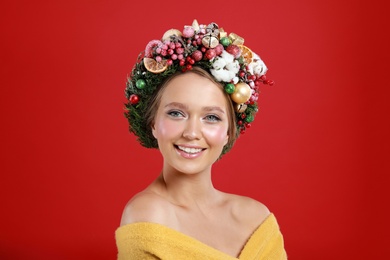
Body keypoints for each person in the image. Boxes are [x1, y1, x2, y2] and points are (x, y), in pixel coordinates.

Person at [116, 20, 287, 259]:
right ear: (153, 123)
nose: (192, 132)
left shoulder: (257, 218)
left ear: (229, 131)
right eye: (176, 113)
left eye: (211, 117)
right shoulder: (147, 213)